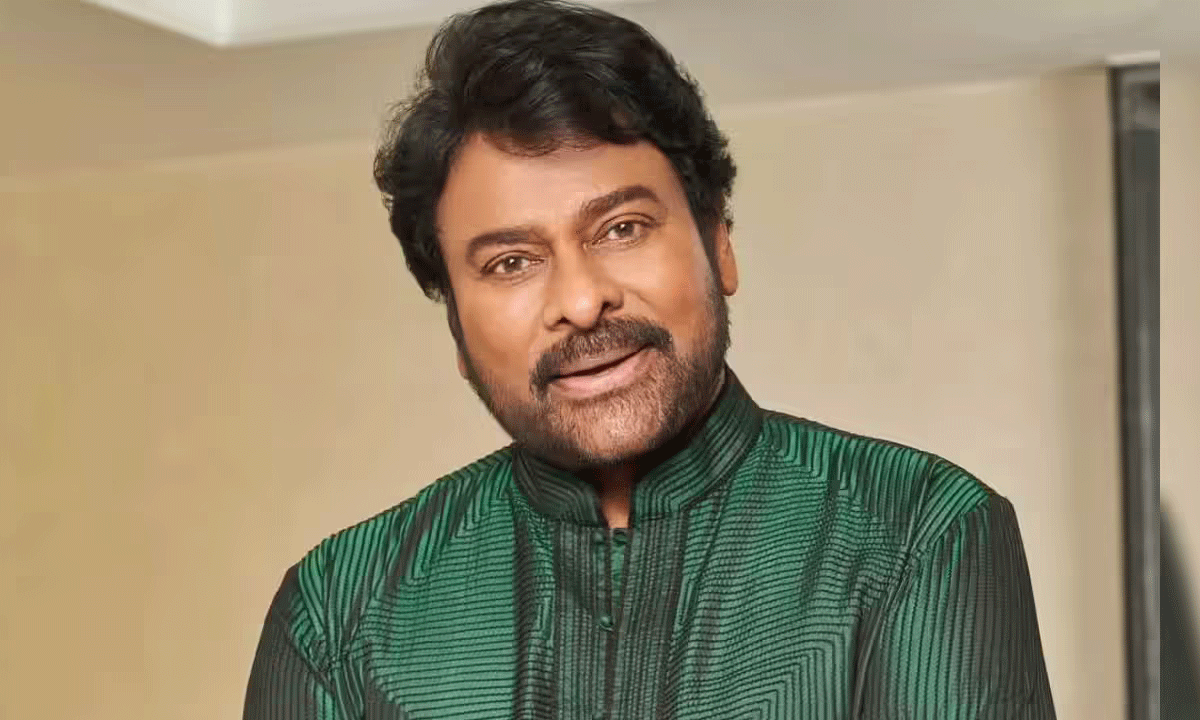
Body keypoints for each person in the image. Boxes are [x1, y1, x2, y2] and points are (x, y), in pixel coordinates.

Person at [243, 1, 1056, 717]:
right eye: (510, 262)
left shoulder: (917, 533)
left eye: (621, 229)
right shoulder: (339, 613)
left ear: (718, 246)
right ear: (456, 328)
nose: (581, 299)